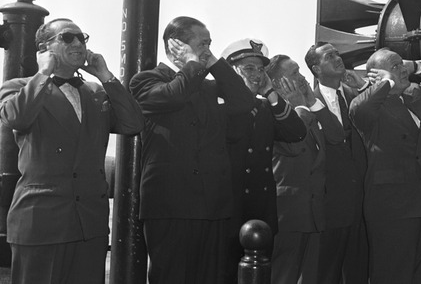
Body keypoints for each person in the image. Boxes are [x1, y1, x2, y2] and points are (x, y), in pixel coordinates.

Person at [0, 18, 144, 284]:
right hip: (42, 223)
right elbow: (17, 118)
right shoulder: (19, 87)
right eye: (67, 38)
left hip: (89, 223)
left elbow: (133, 123)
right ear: (45, 48)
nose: (78, 43)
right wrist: (43, 73)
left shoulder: (95, 92)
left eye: (81, 37)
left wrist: (105, 76)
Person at [129, 16, 256, 284]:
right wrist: (193, 63)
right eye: (203, 43)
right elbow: (174, 95)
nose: (207, 49)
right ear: (177, 45)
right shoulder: (146, 80)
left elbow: (244, 102)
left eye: (209, 43)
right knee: (172, 277)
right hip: (171, 204)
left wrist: (213, 64)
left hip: (213, 204)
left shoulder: (210, 86)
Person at [349, 48, 421, 284]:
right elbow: (361, 109)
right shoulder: (364, 105)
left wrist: (414, 65)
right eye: (394, 66)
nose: (401, 70)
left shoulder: (415, 95)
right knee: (392, 274)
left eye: (401, 65)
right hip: (393, 206)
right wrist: (385, 82)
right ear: (376, 75)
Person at [221, 38, 307, 281]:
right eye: (249, 68)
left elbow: (296, 132)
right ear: (231, 71)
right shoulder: (218, 105)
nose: (256, 75)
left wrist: (270, 92)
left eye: (260, 69)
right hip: (228, 210)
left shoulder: (266, 108)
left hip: (259, 212)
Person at [264, 54, 339, 284]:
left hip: (313, 213)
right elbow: (293, 145)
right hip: (289, 213)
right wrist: (297, 106)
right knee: (283, 276)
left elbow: (336, 136)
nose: (303, 77)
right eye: (295, 73)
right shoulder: (273, 112)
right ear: (278, 84)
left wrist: (312, 102)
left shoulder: (307, 109)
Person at [304, 42, 369, 284]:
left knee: (358, 272)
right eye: (329, 56)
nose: (337, 58)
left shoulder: (357, 97)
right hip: (328, 207)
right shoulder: (306, 102)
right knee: (326, 273)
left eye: (337, 53)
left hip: (361, 204)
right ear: (316, 69)